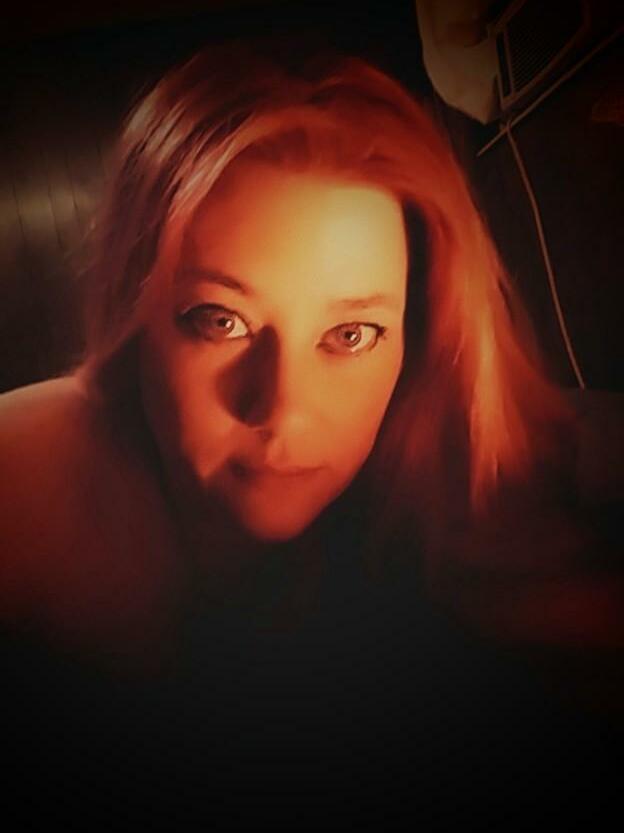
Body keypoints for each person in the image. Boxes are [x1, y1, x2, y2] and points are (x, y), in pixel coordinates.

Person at [0, 35, 621, 811]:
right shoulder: (30, 477)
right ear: (138, 315)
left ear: (421, 331)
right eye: (219, 320)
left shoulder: (475, 469)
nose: (283, 408)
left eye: (351, 334)